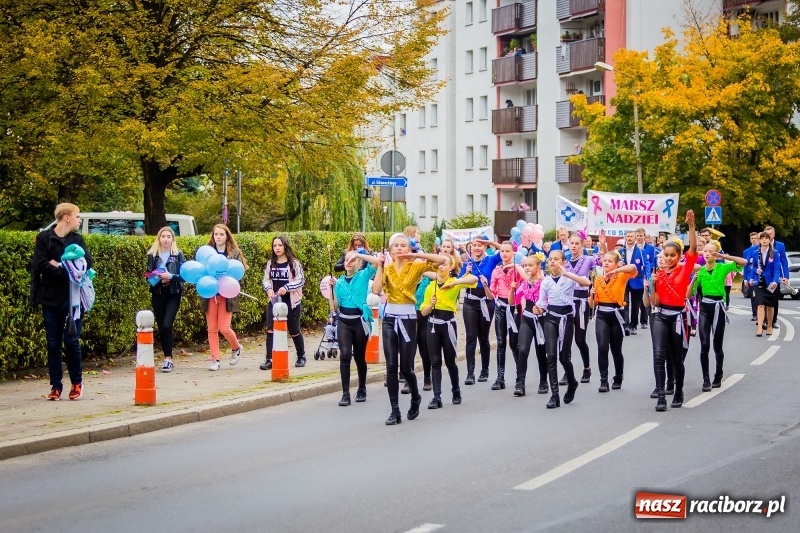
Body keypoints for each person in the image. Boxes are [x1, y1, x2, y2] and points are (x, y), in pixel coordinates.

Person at [372, 234, 446, 425]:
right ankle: (394, 410)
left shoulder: (417, 266)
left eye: (403, 245)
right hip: (389, 319)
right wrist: (380, 265)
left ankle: (415, 397)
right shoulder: (387, 268)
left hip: (407, 319)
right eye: (396, 245)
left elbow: (442, 260)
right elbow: (377, 290)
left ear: (409, 248)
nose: (399, 248)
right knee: (390, 366)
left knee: (406, 367)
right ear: (390, 250)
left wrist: (418, 256)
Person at [32, 203, 94, 400]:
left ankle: (77, 383)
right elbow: (40, 265)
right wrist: (67, 269)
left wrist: (58, 265)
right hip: (50, 298)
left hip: (73, 299)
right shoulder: (44, 238)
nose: (79, 220)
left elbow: (86, 263)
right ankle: (55, 386)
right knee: (53, 344)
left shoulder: (77, 239)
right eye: (77, 216)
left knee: (72, 341)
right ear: (66, 217)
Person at [531, 251, 592, 408]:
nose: (552, 262)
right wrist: (538, 309)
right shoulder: (546, 282)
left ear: (563, 262)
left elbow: (586, 283)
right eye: (550, 259)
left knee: (564, 357)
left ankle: (572, 382)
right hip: (550, 318)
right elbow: (542, 302)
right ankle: (554, 395)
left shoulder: (569, 278)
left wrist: (568, 274)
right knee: (551, 355)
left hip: (566, 318)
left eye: (556, 259)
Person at [650, 210, 697, 412]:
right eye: (666, 255)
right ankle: (661, 396)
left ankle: (678, 390)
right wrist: (651, 285)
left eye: (672, 255)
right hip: (661, 316)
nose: (668, 258)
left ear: (678, 255)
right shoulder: (658, 274)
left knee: (677, 359)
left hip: (678, 317)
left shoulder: (685, 268)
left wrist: (692, 226)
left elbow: (694, 248)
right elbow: (655, 301)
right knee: (659, 356)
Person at [420, 255, 478, 408]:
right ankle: (436, 397)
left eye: (445, 264)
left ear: (451, 267)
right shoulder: (430, 286)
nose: (441, 266)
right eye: (439, 264)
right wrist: (430, 305)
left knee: (450, 361)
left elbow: (473, 280)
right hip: (432, 325)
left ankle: (456, 390)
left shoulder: (454, 282)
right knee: (435, 362)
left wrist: (457, 281)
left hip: (448, 325)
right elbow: (424, 312)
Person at [690, 242, 746, 392]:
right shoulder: (700, 271)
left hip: (718, 308)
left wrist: (723, 256)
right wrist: (693, 280)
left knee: (717, 345)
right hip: (704, 308)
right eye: (705, 251)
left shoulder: (723, 267)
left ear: (715, 253)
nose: (707, 254)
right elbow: (690, 294)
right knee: (704, 345)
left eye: (710, 251)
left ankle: (718, 373)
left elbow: (743, 262)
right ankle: (706, 378)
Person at [328, 250, 381, 406]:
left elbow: (376, 262)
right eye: (346, 260)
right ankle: (345, 393)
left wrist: (358, 255)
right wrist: (331, 290)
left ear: (358, 263)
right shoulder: (338, 283)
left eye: (352, 260)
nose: (349, 262)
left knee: (359, 357)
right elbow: (335, 306)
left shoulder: (364, 276)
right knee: (345, 355)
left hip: (359, 321)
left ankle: (362, 388)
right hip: (344, 322)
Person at [589, 250, 637, 392]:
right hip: (602, 315)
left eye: (610, 261)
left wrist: (616, 270)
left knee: (616, 350)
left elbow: (633, 268)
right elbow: (592, 305)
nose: (606, 263)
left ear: (616, 264)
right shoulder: (597, 280)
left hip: (617, 315)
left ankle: (618, 375)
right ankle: (603, 380)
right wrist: (591, 296)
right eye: (605, 261)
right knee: (602, 348)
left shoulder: (621, 275)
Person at [558, 233, 602, 386]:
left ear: (582, 245)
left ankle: (587, 368)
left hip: (582, 303)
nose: (574, 246)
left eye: (577, 243)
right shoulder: (564, 262)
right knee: (566, 339)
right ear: (568, 244)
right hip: (567, 302)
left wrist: (603, 246)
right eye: (572, 243)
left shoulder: (588, 259)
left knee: (579, 339)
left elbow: (603, 262)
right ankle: (567, 371)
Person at [202, 224, 246, 371]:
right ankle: (215, 360)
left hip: (227, 296)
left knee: (224, 328)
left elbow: (238, 274)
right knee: (212, 329)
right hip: (210, 295)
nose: (218, 237)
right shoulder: (207, 252)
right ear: (213, 236)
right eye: (216, 234)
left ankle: (236, 347)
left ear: (227, 236)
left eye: (221, 234)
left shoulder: (234, 253)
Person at [261, 236, 307, 370]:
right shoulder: (271, 263)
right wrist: (269, 289)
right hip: (275, 301)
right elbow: (266, 279)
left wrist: (286, 288)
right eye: (275, 246)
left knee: (294, 331)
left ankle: (301, 356)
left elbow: (300, 280)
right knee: (270, 330)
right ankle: (269, 359)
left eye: (280, 245)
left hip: (291, 301)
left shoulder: (294, 264)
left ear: (285, 246)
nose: (277, 248)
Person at [145, 227, 187, 373]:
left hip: (173, 293)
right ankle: (167, 357)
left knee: (168, 325)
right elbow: (148, 276)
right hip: (158, 293)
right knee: (162, 326)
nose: (166, 239)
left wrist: (170, 277)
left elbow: (185, 275)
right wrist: (158, 278)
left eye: (169, 236)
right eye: (163, 236)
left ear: (172, 239)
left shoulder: (178, 255)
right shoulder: (153, 255)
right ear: (159, 238)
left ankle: (168, 359)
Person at [460, 237, 500, 384]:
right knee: (471, 336)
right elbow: (457, 282)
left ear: (484, 247)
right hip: (470, 302)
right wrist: (466, 273)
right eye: (474, 246)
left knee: (483, 337)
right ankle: (470, 373)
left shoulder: (490, 260)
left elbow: (505, 250)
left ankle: (485, 370)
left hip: (486, 301)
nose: (477, 248)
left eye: (479, 245)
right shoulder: (467, 263)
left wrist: (489, 243)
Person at [489, 241, 525, 390]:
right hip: (500, 307)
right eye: (502, 251)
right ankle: (500, 377)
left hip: (514, 308)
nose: (504, 254)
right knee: (501, 342)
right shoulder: (496, 270)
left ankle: (520, 377)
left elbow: (525, 283)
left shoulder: (518, 269)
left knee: (514, 344)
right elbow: (492, 289)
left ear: (513, 253)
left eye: (507, 251)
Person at [515, 254, 548, 396]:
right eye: (525, 265)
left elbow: (551, 301)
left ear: (538, 267)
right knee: (522, 350)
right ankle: (520, 383)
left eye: (530, 265)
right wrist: (512, 289)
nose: (527, 268)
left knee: (541, 352)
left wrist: (542, 309)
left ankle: (543, 381)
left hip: (541, 320)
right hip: (527, 319)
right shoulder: (524, 284)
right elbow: (514, 300)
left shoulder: (545, 283)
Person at [745, 232, 781, 337]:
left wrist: (775, 281)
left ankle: (769, 325)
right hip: (759, 282)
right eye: (762, 238)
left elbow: (777, 268)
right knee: (760, 304)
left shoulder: (774, 253)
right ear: (759, 240)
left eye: (766, 238)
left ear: (769, 240)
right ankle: (760, 327)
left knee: (770, 306)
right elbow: (753, 266)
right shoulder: (756, 253)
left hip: (771, 283)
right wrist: (752, 276)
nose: (764, 240)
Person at [619, 230, 648, 335]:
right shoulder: (621, 251)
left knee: (635, 305)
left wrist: (646, 278)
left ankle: (633, 325)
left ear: (635, 238)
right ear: (625, 238)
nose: (630, 238)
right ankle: (626, 325)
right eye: (628, 236)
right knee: (625, 303)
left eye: (632, 236)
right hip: (624, 280)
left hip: (637, 280)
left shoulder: (641, 251)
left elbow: (646, 265)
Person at [764, 226, 789, 330]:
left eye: (770, 234)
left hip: (775, 277)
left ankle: (774, 320)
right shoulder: (761, 245)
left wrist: (786, 276)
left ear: (774, 234)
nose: (768, 236)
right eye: (766, 234)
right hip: (764, 277)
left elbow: (784, 261)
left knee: (774, 300)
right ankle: (765, 320)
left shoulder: (780, 246)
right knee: (763, 300)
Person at [634, 228, 656, 329]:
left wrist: (647, 267)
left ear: (644, 236)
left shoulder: (650, 248)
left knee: (645, 296)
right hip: (636, 276)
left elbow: (653, 261)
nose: (639, 237)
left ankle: (644, 320)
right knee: (636, 299)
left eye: (641, 235)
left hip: (646, 275)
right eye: (637, 236)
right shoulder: (633, 248)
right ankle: (633, 322)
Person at [743, 232, 760, 321]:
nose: (754, 240)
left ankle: (760, 313)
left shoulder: (760, 249)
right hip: (750, 276)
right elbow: (745, 266)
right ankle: (754, 313)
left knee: (759, 296)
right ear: (750, 239)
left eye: (755, 238)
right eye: (752, 238)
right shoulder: (746, 251)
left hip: (759, 276)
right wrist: (745, 279)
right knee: (753, 296)